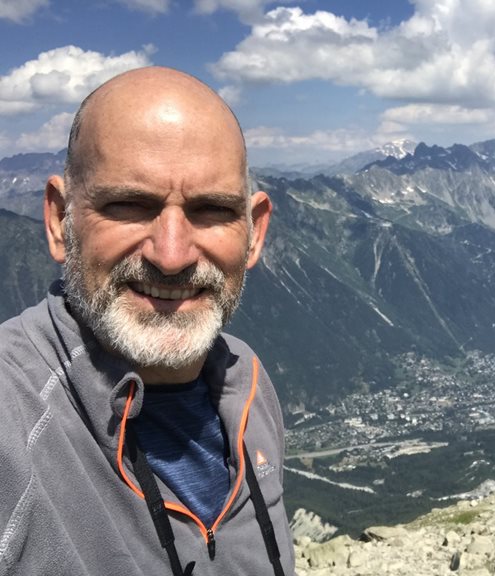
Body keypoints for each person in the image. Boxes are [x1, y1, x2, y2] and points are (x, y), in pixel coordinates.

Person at [0, 67, 295, 576]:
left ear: (253, 233)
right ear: (58, 220)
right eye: (130, 205)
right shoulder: (14, 416)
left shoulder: (248, 383)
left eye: (210, 210)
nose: (173, 254)